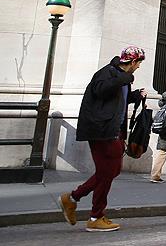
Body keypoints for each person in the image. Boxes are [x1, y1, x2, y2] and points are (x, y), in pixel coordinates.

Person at [58, 46, 147, 232]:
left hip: (113, 130)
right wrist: (125, 78)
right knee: (107, 173)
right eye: (138, 63)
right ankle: (95, 216)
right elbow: (100, 90)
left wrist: (135, 95)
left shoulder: (120, 77)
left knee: (111, 171)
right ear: (133, 62)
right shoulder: (107, 73)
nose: (138, 67)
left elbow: (114, 100)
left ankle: (72, 199)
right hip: (102, 131)